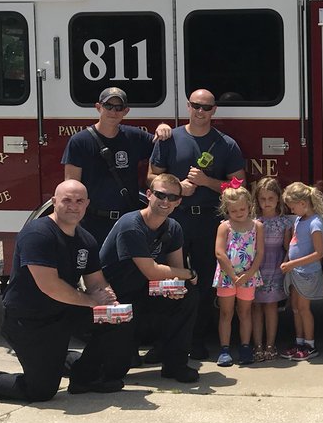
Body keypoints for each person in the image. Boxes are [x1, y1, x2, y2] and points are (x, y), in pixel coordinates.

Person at [0, 180, 126, 402]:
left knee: (116, 321)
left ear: (87, 204)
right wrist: (92, 301)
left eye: (79, 201)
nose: (73, 206)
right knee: (41, 390)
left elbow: (96, 281)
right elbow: (50, 286)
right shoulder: (38, 233)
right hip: (29, 319)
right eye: (66, 200)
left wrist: (110, 301)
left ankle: (84, 376)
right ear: (54, 202)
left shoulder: (86, 239)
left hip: (64, 311)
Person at [149, 89, 246, 359]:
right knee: (167, 278)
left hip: (209, 220)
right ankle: (164, 342)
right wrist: (175, 187)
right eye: (195, 106)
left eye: (205, 107)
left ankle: (197, 339)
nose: (200, 112)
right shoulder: (169, 138)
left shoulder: (226, 144)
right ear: (188, 107)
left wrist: (207, 182)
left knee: (202, 282)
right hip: (174, 219)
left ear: (214, 110)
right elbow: (150, 176)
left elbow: (238, 186)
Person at [100, 173, 201, 384]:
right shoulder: (131, 225)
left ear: (179, 202)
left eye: (172, 197)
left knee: (186, 294)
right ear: (148, 194)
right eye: (160, 195)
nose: (166, 201)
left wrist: (179, 281)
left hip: (146, 291)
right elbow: (153, 271)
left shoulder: (173, 227)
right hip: (118, 297)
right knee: (114, 370)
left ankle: (175, 364)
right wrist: (189, 274)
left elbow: (175, 269)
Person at [62, 87, 172, 247]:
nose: (113, 111)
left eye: (118, 108)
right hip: (92, 221)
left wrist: (163, 127)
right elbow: (71, 185)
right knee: (94, 270)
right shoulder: (80, 141)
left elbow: (161, 146)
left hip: (127, 220)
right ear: (98, 107)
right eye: (108, 106)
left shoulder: (134, 137)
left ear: (126, 111)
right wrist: (71, 222)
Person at [212, 180, 263, 367]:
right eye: (234, 211)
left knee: (245, 312)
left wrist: (249, 274)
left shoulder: (257, 226)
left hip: (249, 276)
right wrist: (233, 276)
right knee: (226, 313)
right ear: (227, 210)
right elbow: (219, 252)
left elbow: (260, 252)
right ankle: (224, 349)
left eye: (242, 209)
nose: (239, 214)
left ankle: (245, 346)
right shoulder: (224, 227)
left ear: (249, 206)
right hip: (228, 277)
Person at [279, 181, 323, 361]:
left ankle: (310, 344)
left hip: (307, 273)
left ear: (303, 203)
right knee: (296, 308)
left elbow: (319, 253)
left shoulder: (315, 223)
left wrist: (293, 263)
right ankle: (299, 342)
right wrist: (287, 261)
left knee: (304, 309)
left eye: (293, 206)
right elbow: (293, 243)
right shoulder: (299, 220)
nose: (291, 210)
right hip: (295, 271)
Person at [250, 177, 292, 362]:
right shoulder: (252, 221)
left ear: (278, 199)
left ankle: (270, 345)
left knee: (271, 307)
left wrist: (286, 263)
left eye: (271, 199)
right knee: (256, 307)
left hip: (274, 266)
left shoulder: (284, 223)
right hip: (255, 268)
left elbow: (287, 246)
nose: (267, 203)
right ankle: (257, 345)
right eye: (263, 199)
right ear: (257, 200)